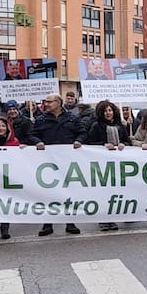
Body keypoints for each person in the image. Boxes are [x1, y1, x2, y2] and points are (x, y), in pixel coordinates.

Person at [32, 93, 84, 236]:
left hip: (68, 162)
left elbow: (82, 132)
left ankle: (70, 222)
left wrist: (79, 140)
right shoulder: (40, 119)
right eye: (45, 101)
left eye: (49, 102)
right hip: (47, 162)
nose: (46, 104)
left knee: (69, 191)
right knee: (48, 192)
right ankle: (47, 224)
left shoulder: (73, 118)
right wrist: (37, 141)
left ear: (58, 103)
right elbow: (32, 134)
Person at [87, 100, 128, 231]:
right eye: (105, 111)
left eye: (110, 110)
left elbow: (127, 140)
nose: (108, 113)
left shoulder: (120, 126)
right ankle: (104, 219)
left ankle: (113, 218)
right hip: (101, 164)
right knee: (103, 192)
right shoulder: (96, 126)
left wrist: (123, 144)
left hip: (118, 163)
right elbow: (90, 142)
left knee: (115, 192)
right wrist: (102, 145)